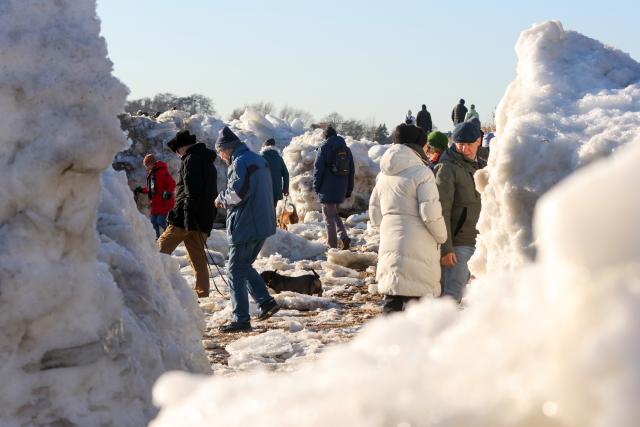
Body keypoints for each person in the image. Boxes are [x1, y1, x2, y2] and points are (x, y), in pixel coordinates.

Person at [369, 123, 447, 314]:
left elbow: (374, 213)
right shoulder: (422, 173)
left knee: (393, 297)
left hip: (390, 243)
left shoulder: (384, 174)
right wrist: (442, 237)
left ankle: (388, 341)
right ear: (419, 146)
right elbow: (430, 214)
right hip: (418, 246)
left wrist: (390, 228)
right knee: (417, 302)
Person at [214, 126, 280, 333]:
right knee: (243, 265)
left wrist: (220, 199)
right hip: (262, 221)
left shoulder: (240, 162)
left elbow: (236, 194)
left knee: (234, 270)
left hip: (246, 223)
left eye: (220, 152)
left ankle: (241, 318)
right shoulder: (257, 159)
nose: (220, 157)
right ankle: (266, 302)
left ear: (227, 148)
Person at [157, 130, 218, 298]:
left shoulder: (191, 160)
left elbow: (191, 192)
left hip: (186, 219)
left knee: (158, 250)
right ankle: (202, 293)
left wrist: (182, 216)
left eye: (177, 151)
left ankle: (152, 286)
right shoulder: (207, 161)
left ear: (182, 147)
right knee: (198, 259)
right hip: (203, 219)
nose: (177, 155)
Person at [433, 120, 486, 303]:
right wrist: (446, 248)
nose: (464, 149)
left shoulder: (482, 163)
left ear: (478, 141)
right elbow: (441, 210)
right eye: (460, 145)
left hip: (479, 240)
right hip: (457, 244)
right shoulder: (447, 168)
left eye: (469, 145)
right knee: (450, 298)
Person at [313, 126, 355, 249]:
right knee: (334, 214)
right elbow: (351, 171)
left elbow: (318, 170)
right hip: (341, 188)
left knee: (328, 219)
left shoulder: (324, 148)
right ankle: (344, 237)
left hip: (327, 189)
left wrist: (316, 186)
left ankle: (332, 247)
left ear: (325, 136)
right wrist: (349, 189)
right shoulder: (346, 149)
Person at [134, 154, 176, 238]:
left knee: (160, 220)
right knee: (153, 221)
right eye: (146, 166)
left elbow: (172, 183)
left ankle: (170, 236)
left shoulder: (162, 172)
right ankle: (156, 239)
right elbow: (151, 188)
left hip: (164, 201)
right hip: (156, 203)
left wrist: (168, 192)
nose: (147, 167)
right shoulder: (151, 174)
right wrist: (141, 190)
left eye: (147, 165)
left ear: (152, 163)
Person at [260, 138, 290, 208]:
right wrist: (285, 189)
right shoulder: (279, 158)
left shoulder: (261, 158)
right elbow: (286, 174)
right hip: (276, 190)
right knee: (273, 209)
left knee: (264, 211)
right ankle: (273, 219)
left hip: (264, 190)